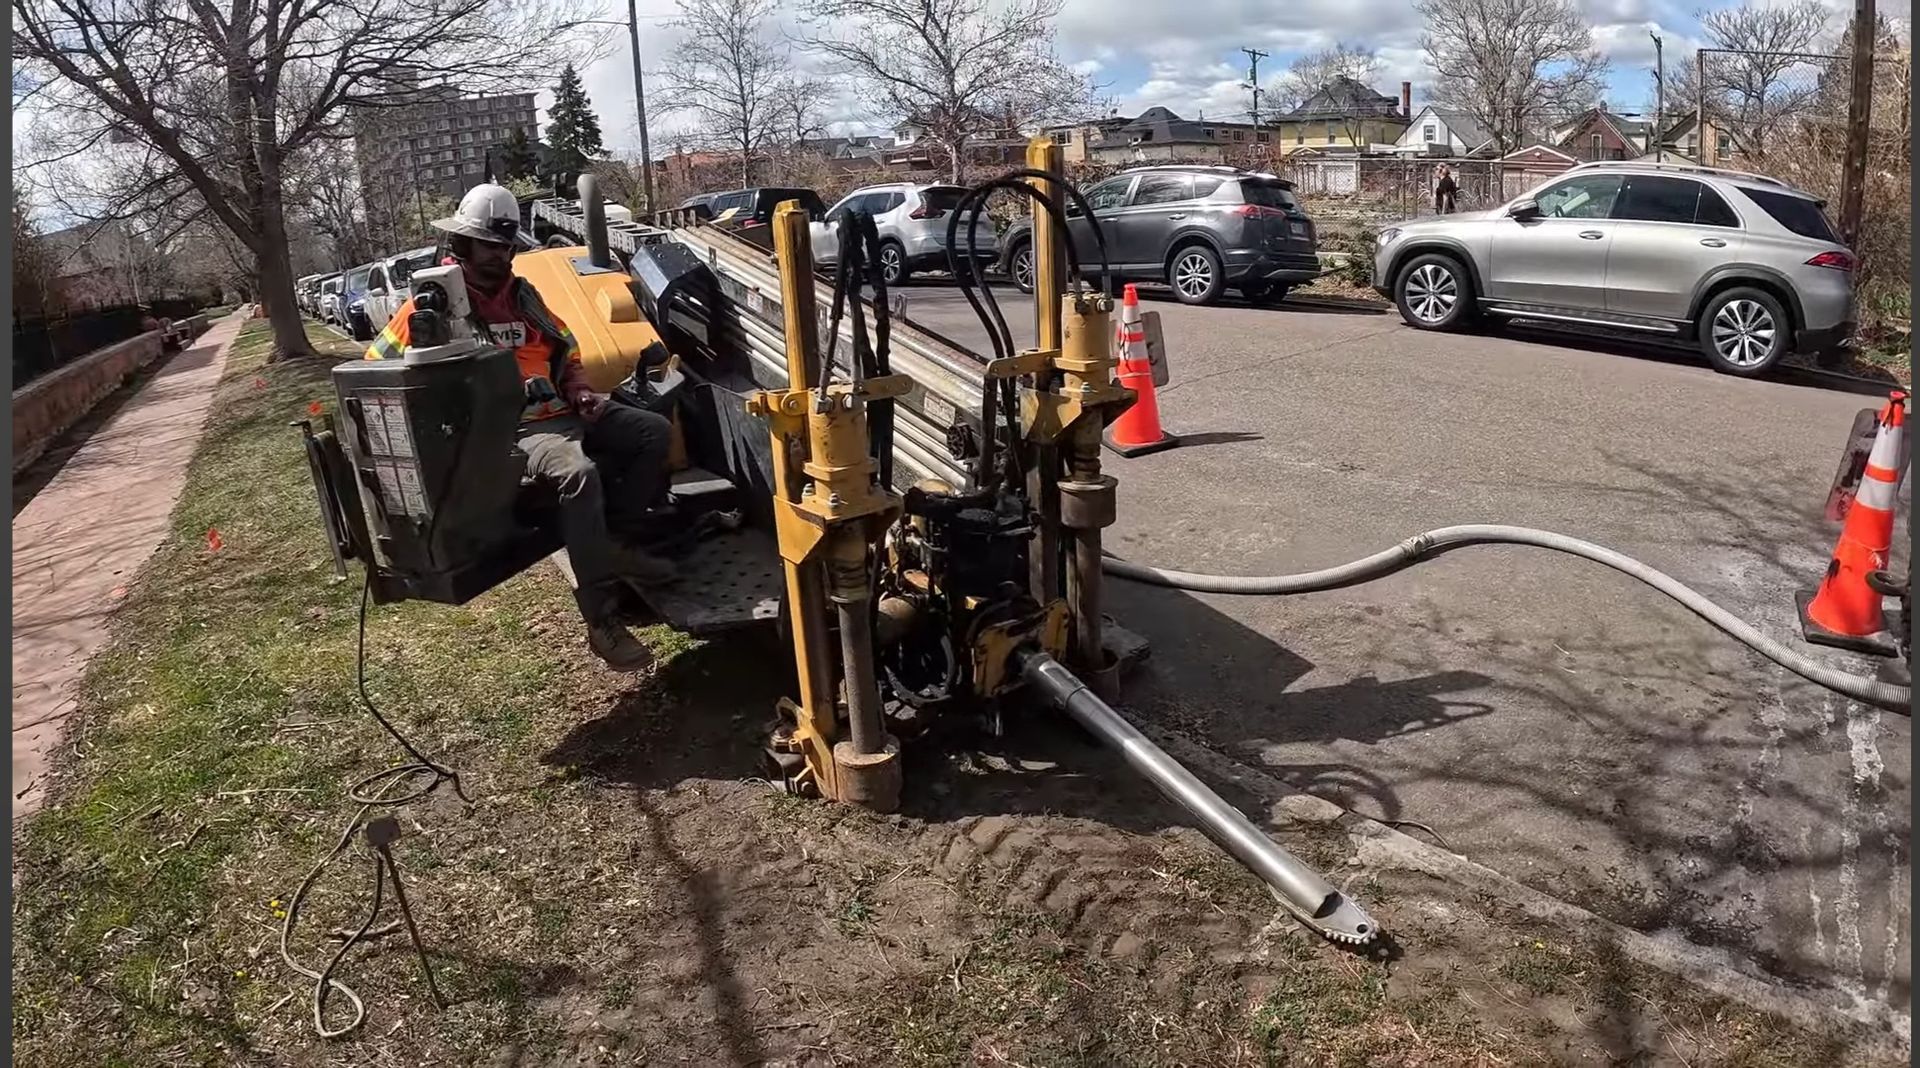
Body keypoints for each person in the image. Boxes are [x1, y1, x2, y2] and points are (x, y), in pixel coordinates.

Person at [364, 183, 675, 673]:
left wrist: (579, 391)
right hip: (517, 429)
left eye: (506, 246)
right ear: (462, 245)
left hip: (563, 410)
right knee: (577, 474)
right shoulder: (434, 305)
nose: (499, 255)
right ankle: (602, 618)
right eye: (488, 245)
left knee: (652, 431)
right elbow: (376, 365)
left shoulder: (523, 295)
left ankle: (616, 545)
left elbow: (565, 348)